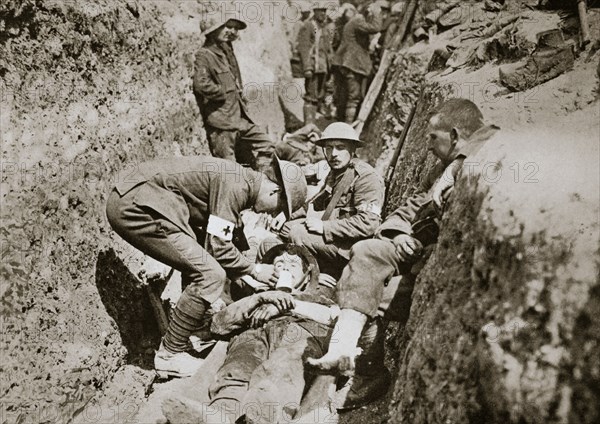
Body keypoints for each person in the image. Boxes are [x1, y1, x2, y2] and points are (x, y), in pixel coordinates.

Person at [307, 99, 499, 383]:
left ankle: (370, 375)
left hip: (440, 272)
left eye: (434, 138)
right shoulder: (437, 171)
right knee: (366, 252)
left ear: (456, 136)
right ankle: (343, 349)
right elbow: (405, 211)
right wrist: (400, 235)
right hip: (412, 255)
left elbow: (492, 131)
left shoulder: (480, 156)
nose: (429, 146)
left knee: (363, 293)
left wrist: (458, 164)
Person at [105, 156, 307, 378]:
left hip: (143, 198)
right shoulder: (236, 185)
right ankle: (169, 355)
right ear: (274, 190)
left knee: (202, 259)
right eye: (276, 209)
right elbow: (219, 247)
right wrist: (255, 270)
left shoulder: (240, 178)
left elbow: (226, 236)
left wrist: (244, 271)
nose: (267, 215)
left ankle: (189, 326)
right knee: (210, 274)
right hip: (136, 205)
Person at [166, 244, 340, 424]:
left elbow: (335, 319)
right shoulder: (256, 297)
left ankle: (269, 415)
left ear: (305, 278)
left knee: (286, 364)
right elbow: (218, 325)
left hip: (299, 333)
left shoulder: (318, 298)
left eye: (293, 264)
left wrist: (288, 305)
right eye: (279, 264)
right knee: (238, 366)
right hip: (254, 334)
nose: (286, 267)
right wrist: (258, 299)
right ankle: (221, 413)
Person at [266, 122, 384, 280]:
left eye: (340, 147)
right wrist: (286, 215)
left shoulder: (366, 177)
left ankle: (315, 279)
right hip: (336, 237)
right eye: (329, 148)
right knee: (286, 227)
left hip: (350, 247)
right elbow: (315, 203)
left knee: (297, 232)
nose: (334, 153)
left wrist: (325, 226)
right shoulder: (336, 172)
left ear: (352, 149)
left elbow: (369, 223)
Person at [193, 14, 274, 171]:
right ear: (212, 30)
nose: (231, 31)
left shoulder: (227, 52)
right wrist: (223, 93)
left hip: (239, 119)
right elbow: (200, 84)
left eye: (235, 28)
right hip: (222, 123)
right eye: (227, 27)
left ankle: (260, 181)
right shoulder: (205, 55)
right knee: (228, 170)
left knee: (267, 145)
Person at [332, 1, 384, 123]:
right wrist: (377, 12)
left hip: (348, 62)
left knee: (345, 96)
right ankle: (347, 127)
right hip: (352, 63)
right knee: (353, 97)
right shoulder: (358, 20)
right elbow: (375, 28)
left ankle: (341, 123)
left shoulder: (355, 21)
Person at [296, 1, 334, 124]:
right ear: (315, 11)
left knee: (320, 96)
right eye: (320, 10)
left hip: (323, 67)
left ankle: (313, 125)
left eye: (325, 11)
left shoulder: (323, 27)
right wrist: (307, 67)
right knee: (310, 97)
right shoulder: (308, 26)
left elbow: (328, 49)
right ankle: (308, 126)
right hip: (313, 67)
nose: (323, 13)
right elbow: (304, 47)